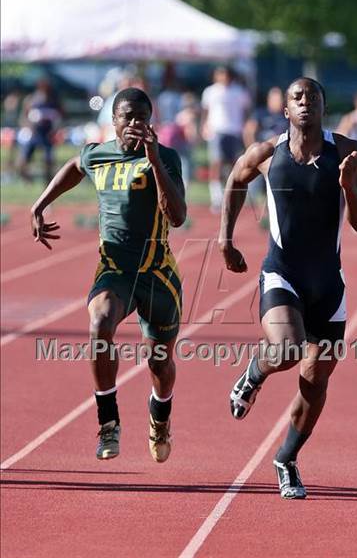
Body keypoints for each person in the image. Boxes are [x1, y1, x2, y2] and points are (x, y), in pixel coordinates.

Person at [218, 78, 357, 499]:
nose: (305, 103)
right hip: (282, 271)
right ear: (286, 109)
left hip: (328, 282)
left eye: (313, 97)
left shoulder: (348, 153)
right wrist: (225, 240)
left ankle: (286, 460)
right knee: (286, 348)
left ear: (324, 107)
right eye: (297, 98)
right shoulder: (268, 154)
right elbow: (235, 178)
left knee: (315, 381)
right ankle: (253, 374)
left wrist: (347, 188)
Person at [31, 88, 186, 463]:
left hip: (157, 274)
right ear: (113, 121)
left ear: (151, 122)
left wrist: (154, 161)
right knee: (99, 323)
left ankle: (160, 416)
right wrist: (40, 204)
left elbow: (177, 216)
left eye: (141, 118)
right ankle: (108, 423)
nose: (134, 124)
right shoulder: (98, 153)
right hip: (114, 270)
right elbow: (75, 166)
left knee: (159, 363)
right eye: (127, 117)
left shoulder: (164, 157)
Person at [201, 66, 251, 213]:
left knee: (233, 166)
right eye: (220, 74)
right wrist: (204, 126)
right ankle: (216, 199)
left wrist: (245, 128)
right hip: (216, 131)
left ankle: (232, 197)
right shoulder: (210, 91)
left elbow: (246, 111)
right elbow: (206, 111)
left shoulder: (239, 91)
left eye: (225, 74)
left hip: (234, 131)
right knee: (216, 164)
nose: (223, 77)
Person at [18, 78, 62, 184]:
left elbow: (59, 117)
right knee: (24, 158)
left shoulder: (53, 101)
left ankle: (48, 181)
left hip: (46, 134)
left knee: (48, 159)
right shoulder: (31, 99)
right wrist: (28, 127)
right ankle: (26, 179)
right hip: (33, 134)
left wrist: (54, 130)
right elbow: (23, 117)